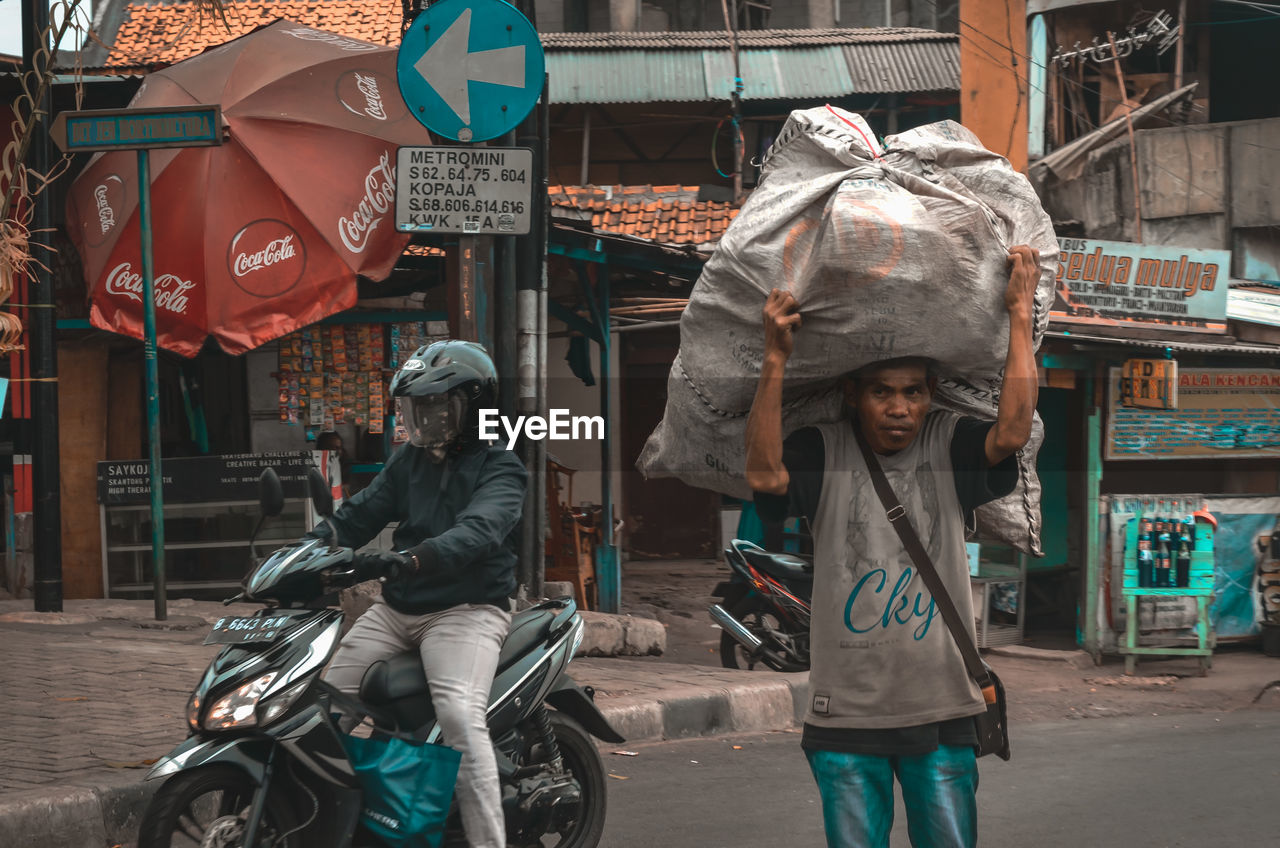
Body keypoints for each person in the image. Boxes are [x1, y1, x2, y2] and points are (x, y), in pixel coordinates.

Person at [745, 246, 1041, 848]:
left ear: (931, 394)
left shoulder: (948, 442)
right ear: (853, 394)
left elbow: (1011, 432)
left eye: (912, 392)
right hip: (844, 713)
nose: (900, 408)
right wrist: (774, 357)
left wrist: (1017, 312)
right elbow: (765, 475)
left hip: (944, 707)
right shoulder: (821, 450)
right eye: (882, 392)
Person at [309, 340, 526, 848]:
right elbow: (357, 516)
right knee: (320, 706)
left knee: (458, 716)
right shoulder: (407, 461)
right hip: (398, 607)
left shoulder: (501, 467)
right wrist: (303, 552)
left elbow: (478, 532)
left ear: (471, 407)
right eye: (415, 407)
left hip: (467, 610)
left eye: (434, 405)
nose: (422, 418)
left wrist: (411, 558)